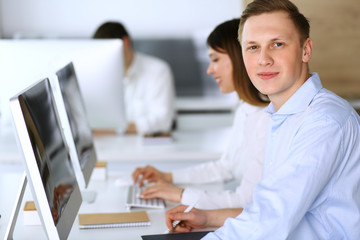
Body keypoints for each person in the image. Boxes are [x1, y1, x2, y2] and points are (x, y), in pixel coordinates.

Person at [165, 0, 360, 239]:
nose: (263, 59)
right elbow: (269, 207)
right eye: (253, 47)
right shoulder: (280, 115)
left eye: (277, 44)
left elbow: (272, 218)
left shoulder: (324, 121)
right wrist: (208, 218)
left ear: (306, 50)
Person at [132, 19, 270, 209]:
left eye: (215, 59)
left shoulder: (267, 118)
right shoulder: (245, 108)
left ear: (239, 58)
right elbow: (225, 167)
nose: (209, 70)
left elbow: (246, 200)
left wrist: (180, 194)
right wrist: (168, 177)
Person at [93, 21, 176, 135]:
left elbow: (163, 121)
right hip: (110, 146)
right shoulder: (99, 77)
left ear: (126, 42)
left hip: (146, 148)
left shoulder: (158, 70)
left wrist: (115, 129)